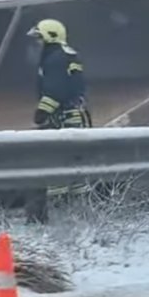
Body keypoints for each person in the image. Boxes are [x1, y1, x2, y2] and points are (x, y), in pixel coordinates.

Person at [24, 18, 92, 223]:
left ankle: (58, 213)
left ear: (50, 37)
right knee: (75, 164)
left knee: (55, 164)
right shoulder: (68, 54)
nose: (36, 44)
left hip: (61, 119)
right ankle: (82, 213)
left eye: (39, 39)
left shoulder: (54, 59)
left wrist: (42, 112)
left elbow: (55, 89)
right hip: (75, 116)